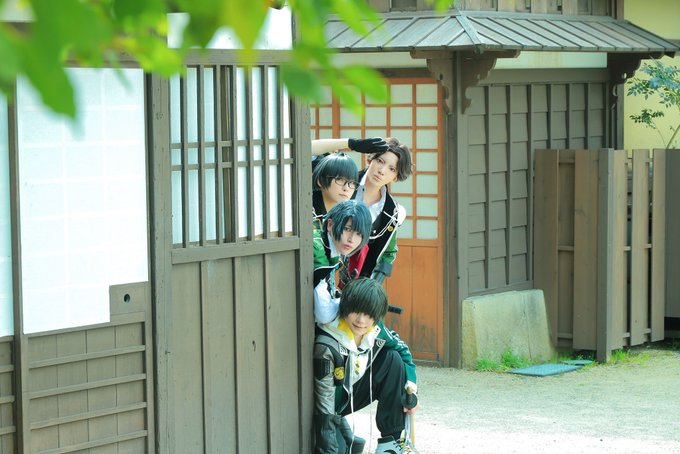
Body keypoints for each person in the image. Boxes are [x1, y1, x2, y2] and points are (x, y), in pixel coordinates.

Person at [313, 278, 418, 454]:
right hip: (327, 406)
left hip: (349, 394)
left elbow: (403, 351)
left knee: (393, 358)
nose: (361, 320)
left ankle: (390, 443)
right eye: (356, 311)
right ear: (345, 305)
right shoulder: (328, 339)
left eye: (369, 315)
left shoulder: (375, 329)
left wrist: (411, 391)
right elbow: (324, 403)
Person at [312, 137, 413, 282]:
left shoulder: (391, 212)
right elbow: (305, 151)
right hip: (313, 261)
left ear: (396, 177)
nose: (382, 171)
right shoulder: (342, 181)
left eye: (392, 169)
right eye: (380, 161)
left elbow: (387, 253)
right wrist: (351, 143)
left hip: (347, 281)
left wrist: (371, 285)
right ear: (370, 160)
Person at [314, 200, 372, 324]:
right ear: (330, 225)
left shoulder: (334, 247)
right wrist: (349, 302)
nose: (351, 239)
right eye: (347, 229)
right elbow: (324, 314)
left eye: (359, 234)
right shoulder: (317, 247)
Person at [312, 152, 360, 230]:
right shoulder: (306, 207)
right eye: (339, 179)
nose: (346, 188)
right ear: (320, 181)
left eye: (352, 182)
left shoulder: (352, 214)